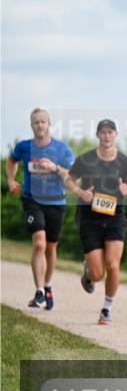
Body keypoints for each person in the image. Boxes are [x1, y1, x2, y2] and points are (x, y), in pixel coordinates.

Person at [64, 119, 127, 324]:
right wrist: (81, 192)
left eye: (110, 132)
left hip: (115, 218)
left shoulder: (125, 162)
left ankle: (107, 308)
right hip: (89, 219)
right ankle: (89, 272)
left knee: (113, 265)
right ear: (98, 135)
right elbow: (68, 180)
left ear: (116, 135)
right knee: (98, 274)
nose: (107, 136)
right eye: (103, 132)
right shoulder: (86, 159)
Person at [6, 108, 74, 310]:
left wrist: (55, 168)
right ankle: (39, 293)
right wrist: (11, 180)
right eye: (36, 122)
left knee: (51, 247)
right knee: (39, 244)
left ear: (49, 124)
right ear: (31, 125)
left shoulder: (62, 149)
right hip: (31, 200)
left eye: (43, 121)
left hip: (56, 202)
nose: (40, 125)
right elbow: (11, 160)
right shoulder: (24, 147)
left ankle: (48, 285)